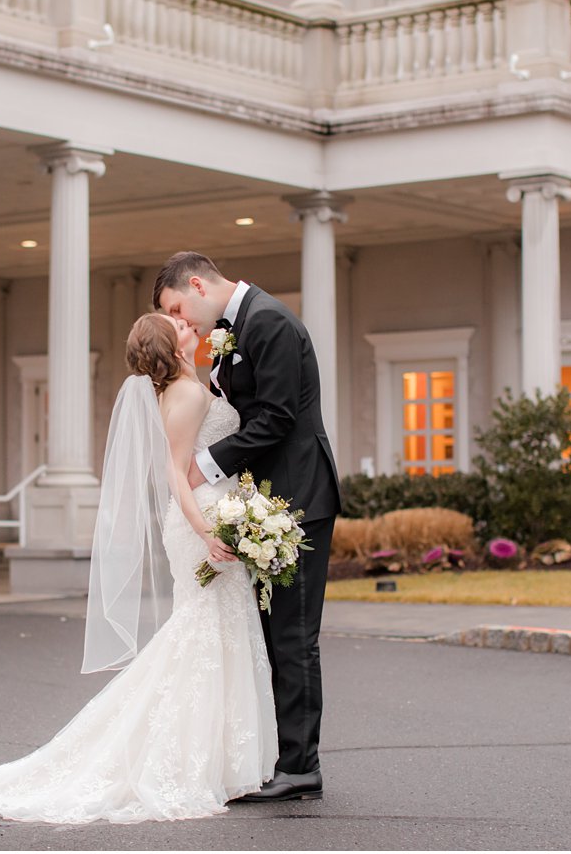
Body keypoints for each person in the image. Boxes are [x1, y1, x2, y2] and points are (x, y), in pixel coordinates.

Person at [0, 313, 276, 824]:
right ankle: (189, 761)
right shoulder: (184, 396)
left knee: (217, 631)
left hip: (219, 513)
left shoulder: (194, 383)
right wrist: (208, 532)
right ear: (173, 344)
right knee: (203, 632)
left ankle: (219, 758)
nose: (188, 322)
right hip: (201, 522)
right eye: (178, 322)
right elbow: (176, 473)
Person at [154, 251, 341, 803]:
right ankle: (282, 759)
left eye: (177, 307)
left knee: (293, 635)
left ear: (195, 284)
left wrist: (205, 465)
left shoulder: (270, 322)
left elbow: (278, 418)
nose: (182, 321)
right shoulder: (241, 327)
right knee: (271, 634)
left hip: (299, 499)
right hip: (265, 503)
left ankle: (301, 767)